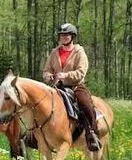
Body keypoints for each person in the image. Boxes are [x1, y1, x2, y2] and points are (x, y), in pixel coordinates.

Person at [42, 23, 101, 151]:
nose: (63, 37)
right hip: (57, 87)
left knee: (85, 104)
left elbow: (81, 72)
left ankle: (92, 134)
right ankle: (37, 135)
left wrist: (66, 75)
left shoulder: (79, 52)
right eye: (61, 35)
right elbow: (46, 70)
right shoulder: (54, 52)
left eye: (66, 35)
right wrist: (48, 76)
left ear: (72, 36)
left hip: (75, 86)